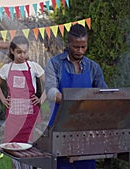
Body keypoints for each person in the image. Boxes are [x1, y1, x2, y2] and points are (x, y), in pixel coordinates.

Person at [45, 23, 108, 169]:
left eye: (83, 47)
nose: (80, 51)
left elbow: (103, 92)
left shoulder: (93, 67)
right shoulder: (55, 64)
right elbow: (50, 90)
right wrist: (68, 101)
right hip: (60, 127)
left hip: (86, 129)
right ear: (68, 43)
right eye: (76, 47)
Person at [0, 35, 45, 169]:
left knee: (30, 149)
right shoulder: (6, 68)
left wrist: (41, 99)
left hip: (30, 116)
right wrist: (4, 100)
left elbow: (51, 83)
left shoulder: (33, 67)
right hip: (13, 117)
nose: (22, 55)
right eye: (19, 52)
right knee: (13, 148)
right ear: (12, 51)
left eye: (25, 52)